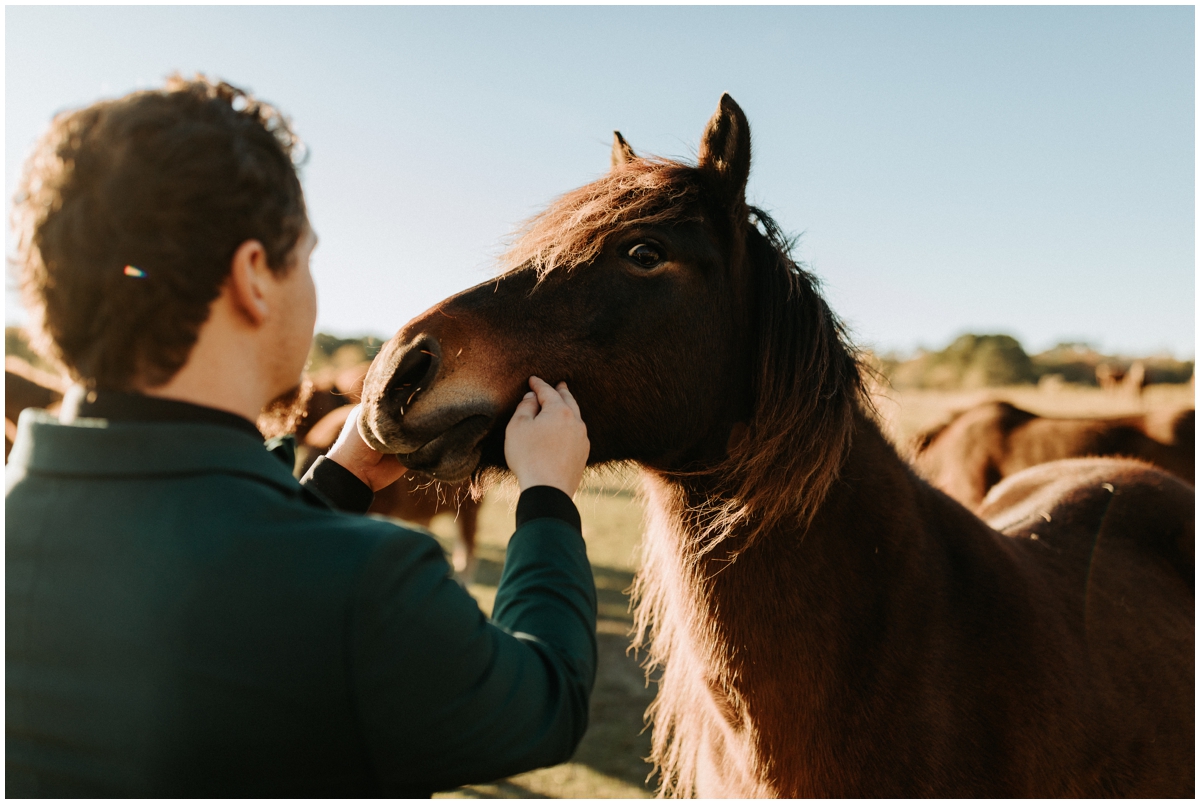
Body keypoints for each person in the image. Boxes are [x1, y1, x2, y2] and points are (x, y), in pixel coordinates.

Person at [5, 76, 596, 797]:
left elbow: (218, 581)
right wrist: (547, 497)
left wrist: (336, 480)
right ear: (254, 277)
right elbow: (546, 703)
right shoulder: (371, 588)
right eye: (307, 258)